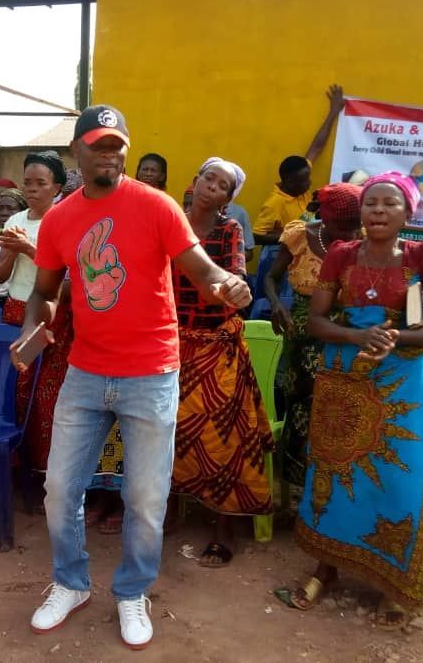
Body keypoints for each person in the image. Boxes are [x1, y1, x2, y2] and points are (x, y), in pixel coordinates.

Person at [14, 105, 251, 650]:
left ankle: (132, 592)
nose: (111, 153)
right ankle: (70, 583)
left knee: (145, 497)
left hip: (151, 373)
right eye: (99, 144)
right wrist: (33, 329)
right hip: (86, 371)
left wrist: (228, 285)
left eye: (118, 144)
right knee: (59, 490)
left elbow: (201, 269)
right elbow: (45, 292)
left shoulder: (157, 206)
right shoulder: (59, 219)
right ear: (79, 150)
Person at [284, 171, 423, 629]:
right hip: (343, 379)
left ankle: (390, 582)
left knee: (398, 480)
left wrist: (398, 336)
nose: (378, 211)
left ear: (408, 212)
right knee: (333, 471)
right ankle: (326, 567)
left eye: (389, 204)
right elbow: (317, 322)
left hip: (402, 381)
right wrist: (358, 333)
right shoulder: (340, 255)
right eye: (371, 203)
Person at [169, 157, 273, 566]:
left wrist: (232, 289)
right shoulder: (170, 223)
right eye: (207, 178)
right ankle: (165, 512)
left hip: (216, 346)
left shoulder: (230, 230)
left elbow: (233, 278)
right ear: (194, 182)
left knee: (222, 437)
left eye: (222, 184)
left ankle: (223, 526)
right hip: (170, 343)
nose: (212, 186)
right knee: (165, 432)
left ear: (229, 198)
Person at [264, 183, 363, 488]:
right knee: (301, 406)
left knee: (342, 410)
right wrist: (277, 305)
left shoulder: (367, 242)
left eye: (353, 226)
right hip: (303, 333)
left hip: (348, 331)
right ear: (324, 215)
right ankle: (296, 486)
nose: (347, 234)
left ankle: (335, 485)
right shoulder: (299, 235)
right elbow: (270, 276)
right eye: (340, 226)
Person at [0, 152, 67, 476]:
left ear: (57, 188)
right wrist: (11, 250)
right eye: (28, 183)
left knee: (47, 392)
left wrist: (29, 249)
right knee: (18, 388)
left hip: (50, 312)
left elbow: (65, 274)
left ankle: (47, 470)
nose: (33, 189)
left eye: (41, 183)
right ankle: (16, 466)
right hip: (16, 309)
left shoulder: (64, 219)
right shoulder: (15, 221)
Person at [252, 84, 344, 244]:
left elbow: (317, 146)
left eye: (308, 178)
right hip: (281, 254)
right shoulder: (275, 204)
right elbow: (256, 236)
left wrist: (333, 111)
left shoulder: (301, 178)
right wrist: (291, 237)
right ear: (288, 181)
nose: (308, 183)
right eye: (303, 181)